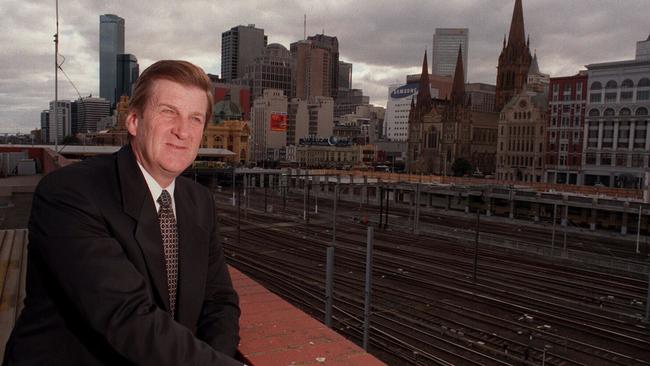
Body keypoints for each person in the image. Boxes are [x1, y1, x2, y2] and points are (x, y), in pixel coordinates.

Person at [4, 60, 243, 365]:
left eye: (195, 118)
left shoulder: (198, 201)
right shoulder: (70, 194)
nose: (183, 131)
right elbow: (126, 317)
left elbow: (219, 303)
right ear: (133, 121)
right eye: (168, 112)